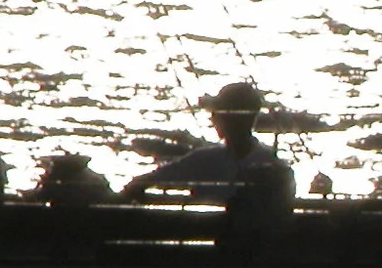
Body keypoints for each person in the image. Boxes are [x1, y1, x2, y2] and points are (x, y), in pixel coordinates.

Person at [123, 82, 294, 220]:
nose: (212, 117)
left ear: (232, 117)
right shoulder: (275, 165)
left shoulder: (204, 160)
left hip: (205, 255)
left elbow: (143, 182)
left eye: (217, 112)